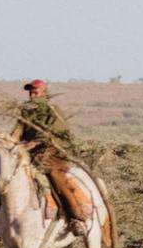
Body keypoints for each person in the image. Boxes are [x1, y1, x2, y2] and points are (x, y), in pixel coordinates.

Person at [14, 77, 94, 225]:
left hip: (54, 152)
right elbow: (17, 132)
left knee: (55, 175)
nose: (32, 95)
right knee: (6, 178)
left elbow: (56, 133)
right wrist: (10, 143)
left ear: (44, 93)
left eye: (35, 92)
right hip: (31, 153)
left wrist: (35, 142)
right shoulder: (24, 112)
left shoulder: (53, 111)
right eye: (30, 92)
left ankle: (76, 215)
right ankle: (1, 219)